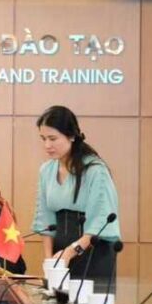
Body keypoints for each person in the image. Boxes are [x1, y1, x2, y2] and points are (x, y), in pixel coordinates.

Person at [32, 105, 120, 282]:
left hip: (93, 252)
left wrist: (70, 252)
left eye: (53, 138)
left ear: (71, 136)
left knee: (88, 300)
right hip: (60, 253)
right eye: (43, 139)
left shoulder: (96, 170)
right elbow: (45, 220)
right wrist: (49, 260)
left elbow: (100, 221)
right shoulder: (46, 170)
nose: (47, 145)